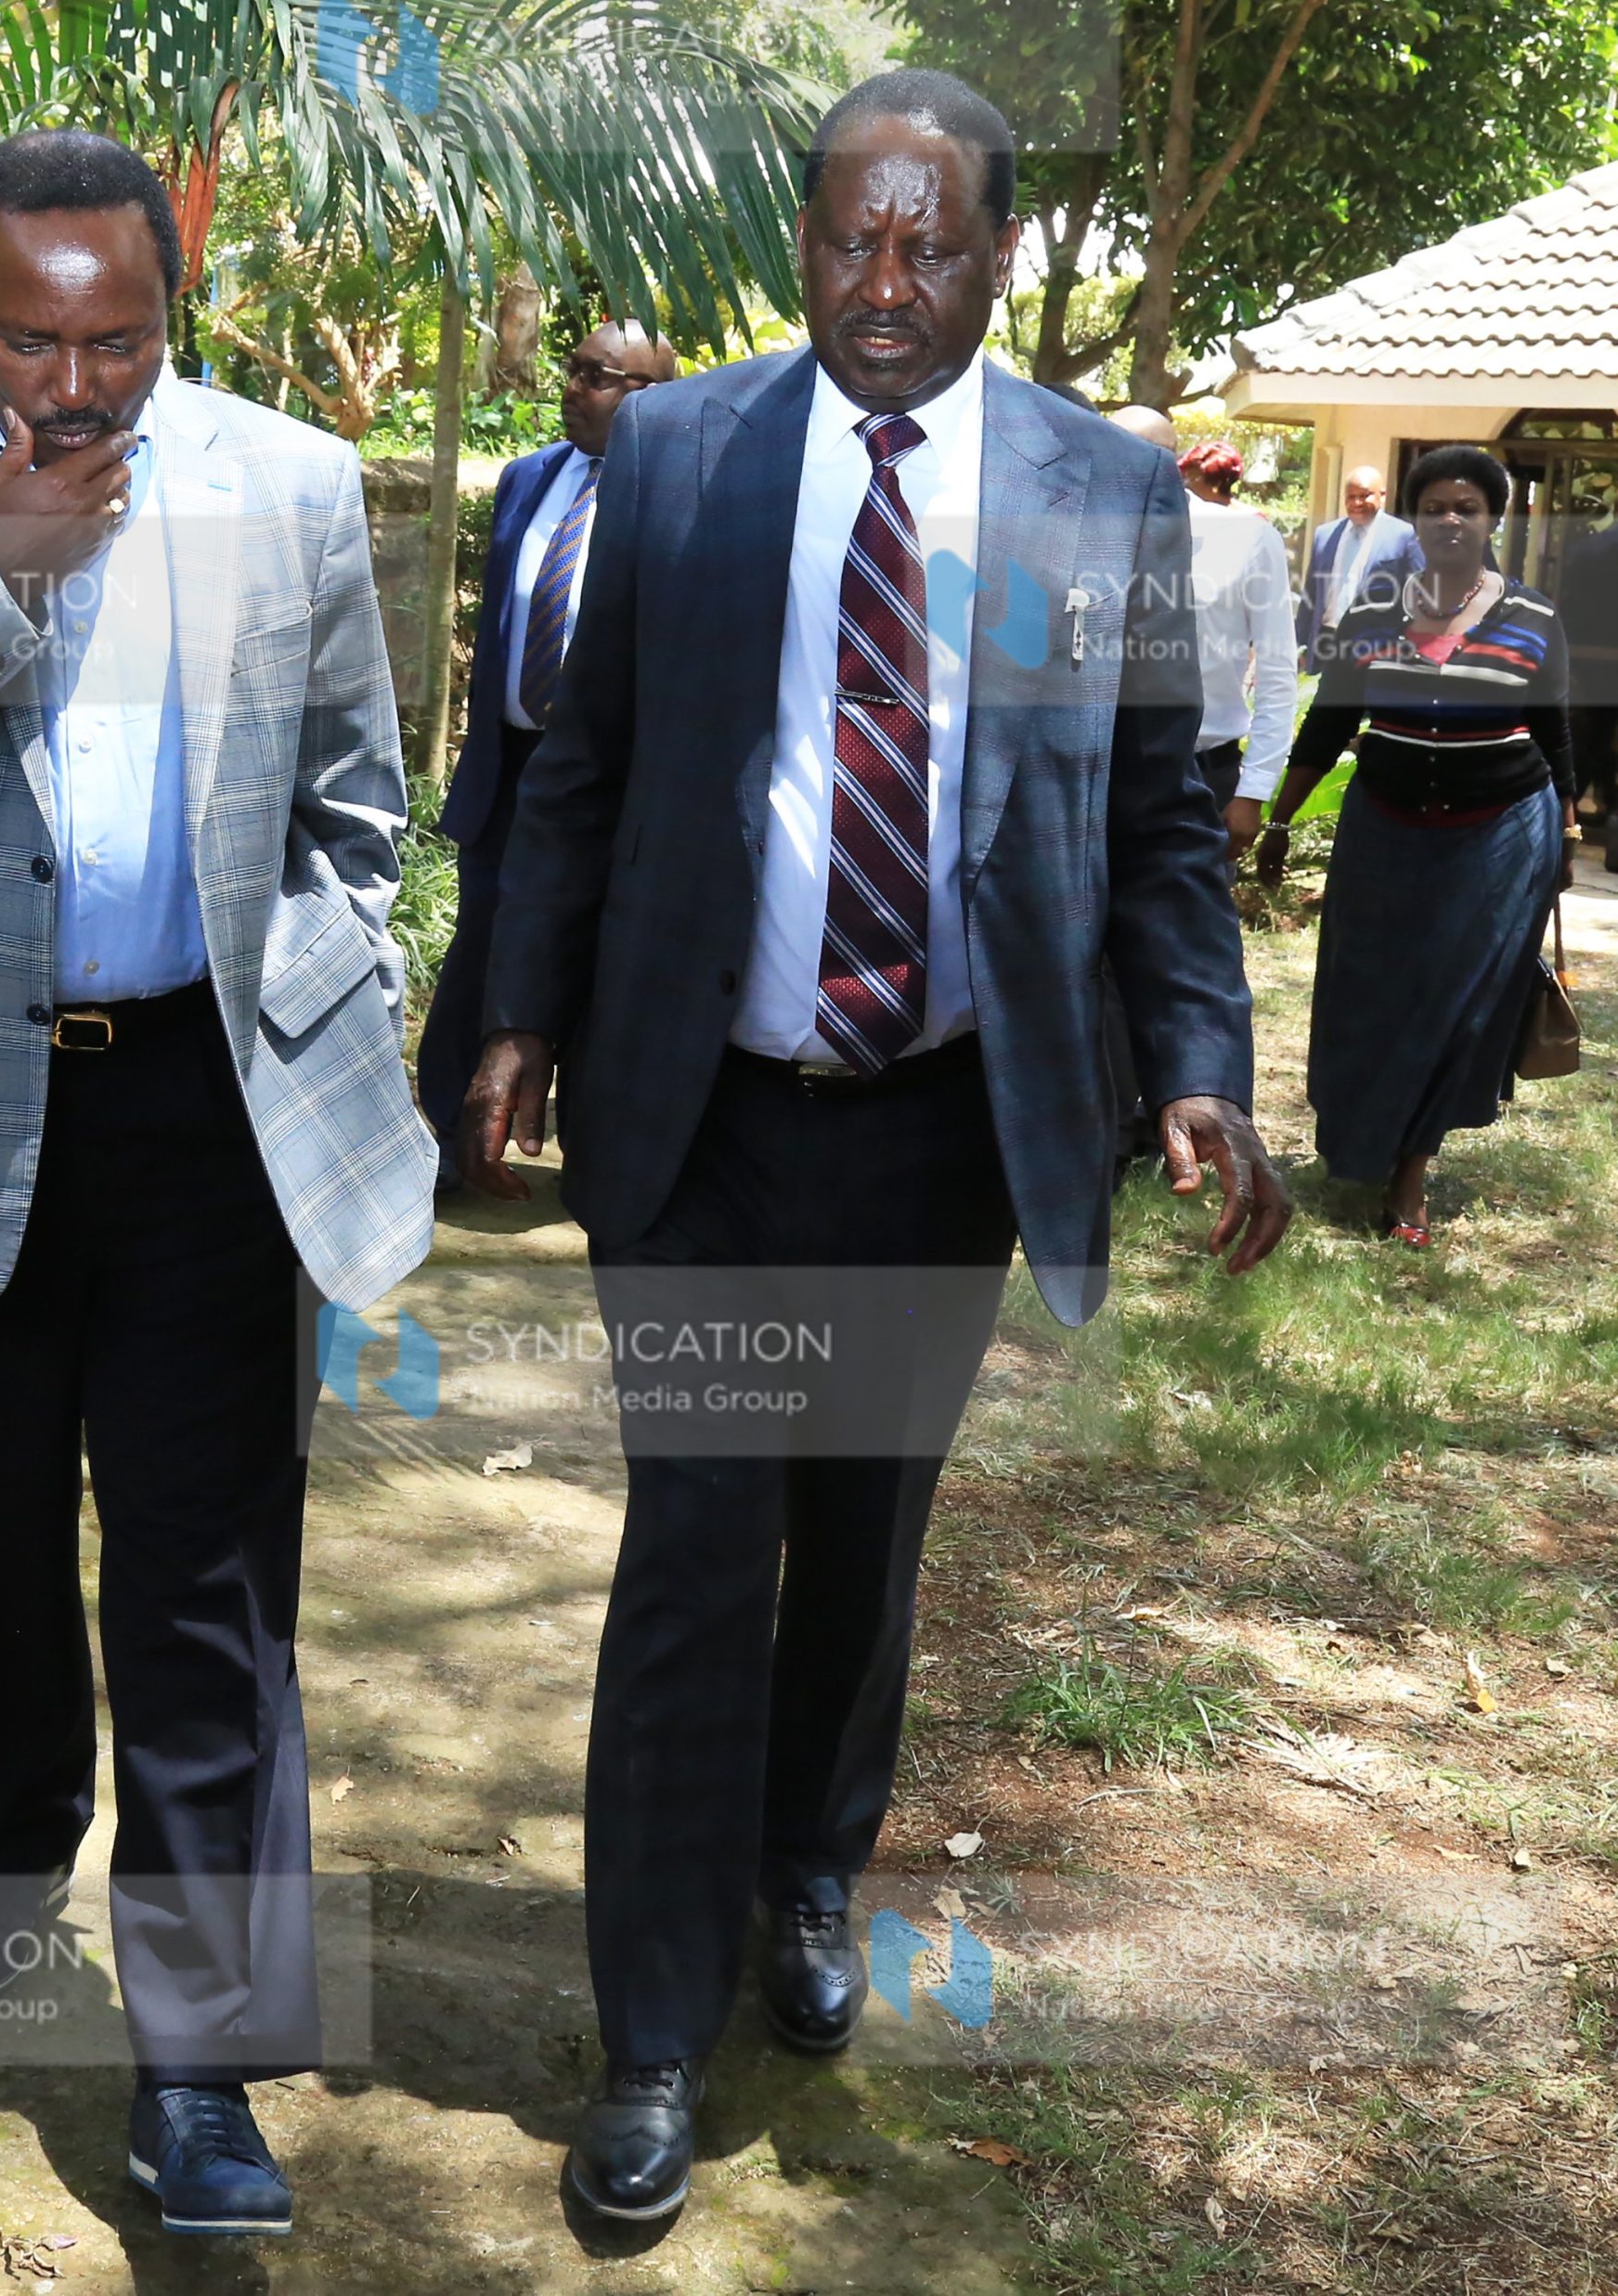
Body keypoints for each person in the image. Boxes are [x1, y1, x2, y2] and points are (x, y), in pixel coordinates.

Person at [461, 68, 1289, 2225]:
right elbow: (578, 766)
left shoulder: (1095, 493)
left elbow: (1150, 820)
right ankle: (649, 2028)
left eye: (927, 243)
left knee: (861, 1536)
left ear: (998, 254)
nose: (882, 282)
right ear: (802, 241)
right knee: (691, 1551)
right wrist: (519, 1010)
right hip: (709, 1116)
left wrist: (1194, 1053)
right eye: (847, 237)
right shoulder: (674, 456)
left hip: (940, 1130)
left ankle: (805, 1877)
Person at [0, 129, 434, 2238]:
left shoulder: (288, 490)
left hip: (204, 1116)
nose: (75, 383)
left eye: (115, 337)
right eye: (30, 340)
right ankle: (10, 1832)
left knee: (210, 1596)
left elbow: (353, 810)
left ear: (166, 308)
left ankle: (201, 2064)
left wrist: (316, 1006)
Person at [1256, 445, 1578, 1247]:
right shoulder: (1372, 612)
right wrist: (1280, 820)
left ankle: (1411, 1169)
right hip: (1385, 832)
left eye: (1467, 507)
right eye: (1434, 506)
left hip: (1499, 838)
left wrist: (1567, 835)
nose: (1450, 520)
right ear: (1415, 517)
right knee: (1371, 990)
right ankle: (1366, 1133)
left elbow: (1556, 734)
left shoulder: (1533, 618)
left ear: (1493, 519)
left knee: (1453, 1002)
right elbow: (1329, 721)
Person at [415, 318, 677, 1174]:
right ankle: (446, 1147)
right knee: (481, 955)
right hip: (513, 772)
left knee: (602, 967)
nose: (572, 386)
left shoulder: (683, 496)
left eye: (598, 376)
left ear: (651, 398)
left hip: (616, 784)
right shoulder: (530, 480)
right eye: (574, 368)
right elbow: (502, 630)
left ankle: (595, 1156)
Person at [1176, 438, 1297, 856]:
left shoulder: (1248, 537)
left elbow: (1277, 670)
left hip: (1204, 772)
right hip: (1102, 771)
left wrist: (1254, 790)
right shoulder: (1093, 530)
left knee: (1195, 916)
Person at [1297, 464, 1420, 671]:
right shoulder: (1325, 535)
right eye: (1350, 496)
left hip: (1374, 642)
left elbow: (1417, 595)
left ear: (1382, 495)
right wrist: (1299, 643)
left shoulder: (1404, 536)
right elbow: (1311, 592)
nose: (1356, 503)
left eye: (1364, 496)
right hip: (1325, 641)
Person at [1555, 516, 1618, 864]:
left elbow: (1568, 606)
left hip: (1588, 664)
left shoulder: (1584, 551)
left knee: (1586, 746)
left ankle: (1566, 823)